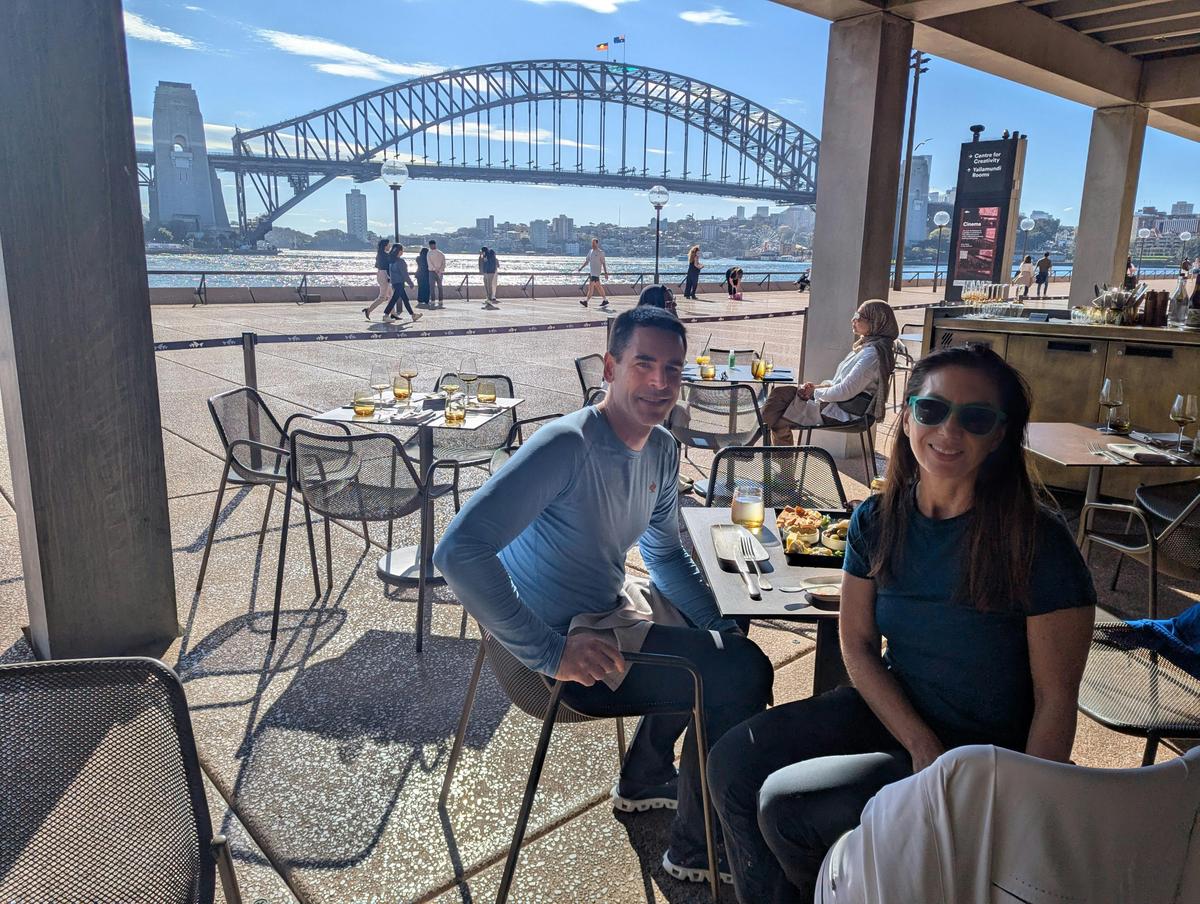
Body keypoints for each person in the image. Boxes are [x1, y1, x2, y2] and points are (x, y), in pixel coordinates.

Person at [708, 344, 1097, 903]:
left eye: (976, 417)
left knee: (790, 808)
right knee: (732, 762)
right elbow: (858, 643)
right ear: (908, 415)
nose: (948, 430)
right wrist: (918, 742)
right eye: (933, 409)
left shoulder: (1037, 542)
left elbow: (1056, 697)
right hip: (898, 714)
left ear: (1000, 435)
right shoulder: (877, 518)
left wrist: (1022, 809)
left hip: (984, 754)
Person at [435, 306, 774, 886]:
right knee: (740, 673)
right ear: (612, 368)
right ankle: (698, 849)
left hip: (607, 612)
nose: (660, 383)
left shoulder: (662, 451)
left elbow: (664, 555)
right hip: (563, 652)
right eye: (644, 363)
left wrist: (725, 626)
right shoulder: (566, 446)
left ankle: (645, 777)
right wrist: (550, 652)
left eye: (672, 368)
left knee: (725, 645)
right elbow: (458, 552)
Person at [761, 299, 898, 445]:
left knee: (777, 418)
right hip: (840, 403)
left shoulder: (872, 355)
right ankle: (758, 444)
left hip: (846, 412)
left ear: (875, 322)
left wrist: (814, 393)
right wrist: (817, 388)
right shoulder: (867, 347)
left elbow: (845, 391)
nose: (853, 320)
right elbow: (840, 383)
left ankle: (751, 442)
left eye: (858, 317)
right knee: (780, 394)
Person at [383, 245, 420, 323]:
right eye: (402, 250)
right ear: (399, 251)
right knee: (394, 299)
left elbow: (390, 273)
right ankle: (386, 315)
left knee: (405, 299)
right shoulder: (400, 262)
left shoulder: (391, 261)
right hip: (399, 283)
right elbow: (405, 274)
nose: (403, 252)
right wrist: (411, 284)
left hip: (394, 283)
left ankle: (413, 315)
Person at [363, 238, 393, 320]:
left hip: (380, 273)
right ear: (385, 246)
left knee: (391, 295)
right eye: (388, 244)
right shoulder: (386, 255)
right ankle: (369, 310)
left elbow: (377, 265)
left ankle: (393, 313)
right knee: (382, 297)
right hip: (385, 275)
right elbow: (388, 267)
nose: (390, 245)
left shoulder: (379, 254)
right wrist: (389, 277)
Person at [577, 238, 610, 309]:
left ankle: (586, 301)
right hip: (592, 273)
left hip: (596, 273)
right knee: (598, 287)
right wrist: (581, 268)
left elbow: (603, 263)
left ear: (597, 244)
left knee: (591, 288)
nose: (593, 245)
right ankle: (605, 300)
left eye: (594, 243)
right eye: (592, 243)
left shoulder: (600, 252)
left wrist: (605, 273)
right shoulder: (590, 251)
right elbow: (587, 261)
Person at [427, 240, 446, 308]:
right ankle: (440, 301)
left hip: (432, 272)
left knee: (432, 287)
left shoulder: (429, 253)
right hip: (440, 272)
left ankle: (433, 301)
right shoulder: (441, 253)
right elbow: (444, 263)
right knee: (440, 287)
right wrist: (439, 270)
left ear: (430, 245)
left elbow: (429, 263)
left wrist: (435, 269)